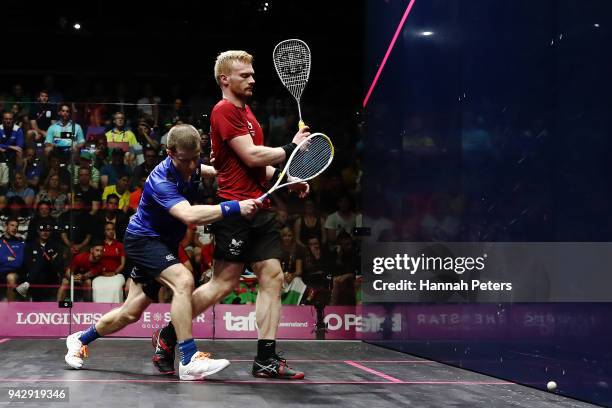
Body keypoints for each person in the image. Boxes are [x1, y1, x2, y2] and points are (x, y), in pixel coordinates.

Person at [152, 50, 310, 379]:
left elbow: (253, 167)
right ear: (225, 79)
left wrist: (287, 181)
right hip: (236, 211)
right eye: (245, 75)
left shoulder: (247, 113)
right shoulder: (224, 111)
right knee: (222, 284)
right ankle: (169, 337)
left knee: (273, 277)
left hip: (260, 208)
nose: (252, 79)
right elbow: (251, 155)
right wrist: (291, 149)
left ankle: (266, 358)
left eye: (252, 74)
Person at [64, 124, 261, 381]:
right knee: (184, 280)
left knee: (130, 312)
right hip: (143, 240)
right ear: (170, 153)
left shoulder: (192, 165)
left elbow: (222, 172)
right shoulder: (160, 180)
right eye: (185, 160)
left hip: (164, 243)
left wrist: (274, 178)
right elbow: (189, 214)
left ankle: (80, 338)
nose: (192, 166)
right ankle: (189, 359)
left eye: (196, 159)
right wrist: (235, 207)